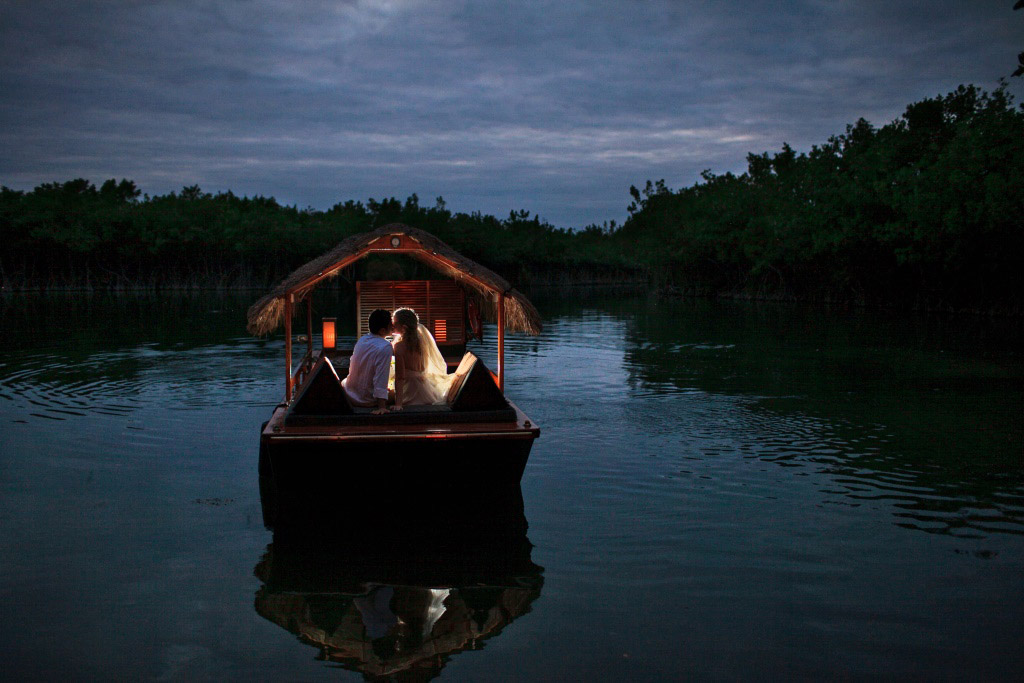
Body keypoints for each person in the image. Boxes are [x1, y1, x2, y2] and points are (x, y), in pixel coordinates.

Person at [391, 307, 453, 409]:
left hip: (409, 390)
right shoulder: (421, 342)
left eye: (394, 322)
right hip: (424, 387)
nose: (392, 325)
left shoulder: (399, 346)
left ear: (403, 327)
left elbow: (400, 377)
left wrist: (398, 404)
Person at [342, 308, 394, 415]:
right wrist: (382, 407)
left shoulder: (363, 339)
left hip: (350, 393)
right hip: (366, 400)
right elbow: (381, 377)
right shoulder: (385, 347)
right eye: (390, 325)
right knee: (403, 394)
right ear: (382, 331)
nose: (393, 327)